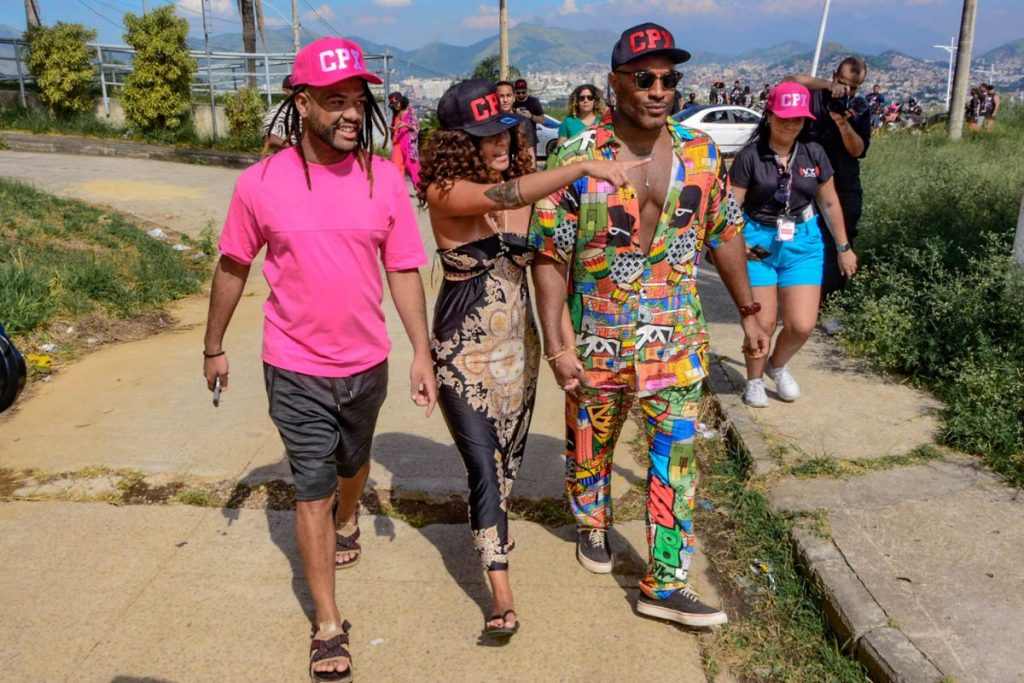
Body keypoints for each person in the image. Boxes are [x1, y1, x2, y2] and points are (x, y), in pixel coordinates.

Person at [202, 37, 437, 682]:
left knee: (351, 464)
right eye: (335, 102)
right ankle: (329, 626)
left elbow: (405, 269)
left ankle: (351, 511)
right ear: (302, 103)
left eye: (358, 102)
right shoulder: (259, 185)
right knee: (312, 484)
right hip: (294, 363)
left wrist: (422, 351)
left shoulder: (383, 178)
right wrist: (214, 344)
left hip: (366, 363)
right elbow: (233, 265)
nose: (351, 115)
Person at [530, 21, 770, 628]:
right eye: (644, 78)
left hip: (674, 338)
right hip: (597, 334)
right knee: (593, 444)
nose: (659, 89)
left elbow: (725, 234)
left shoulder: (700, 152)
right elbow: (548, 252)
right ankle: (592, 521)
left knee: (675, 461)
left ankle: (664, 582)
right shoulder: (576, 154)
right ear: (615, 83)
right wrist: (557, 341)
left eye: (668, 79)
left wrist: (748, 312)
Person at [417, 78, 640, 640]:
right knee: (484, 469)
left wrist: (564, 344)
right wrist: (582, 167)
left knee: (507, 468)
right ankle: (501, 593)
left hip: (520, 355)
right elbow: (508, 196)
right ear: (456, 144)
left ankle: (492, 529)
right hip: (461, 357)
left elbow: (552, 266)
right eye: (483, 137)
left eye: (504, 132)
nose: (498, 144)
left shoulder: (529, 195)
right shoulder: (448, 192)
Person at [729, 82, 857, 407]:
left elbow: (829, 203)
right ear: (769, 115)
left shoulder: (814, 154)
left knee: (802, 324)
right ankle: (754, 379)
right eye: (784, 117)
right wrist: (733, 244)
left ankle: (777, 366)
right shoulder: (749, 157)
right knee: (764, 322)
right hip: (758, 242)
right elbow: (731, 208)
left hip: (804, 241)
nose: (791, 124)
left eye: (798, 119)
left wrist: (844, 248)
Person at [786, 56, 871, 299]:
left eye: (854, 87)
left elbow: (859, 150)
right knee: (804, 237)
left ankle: (831, 301)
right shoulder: (815, 96)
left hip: (844, 184)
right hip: (808, 183)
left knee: (843, 240)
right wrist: (827, 86)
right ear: (834, 75)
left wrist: (843, 123)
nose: (848, 90)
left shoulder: (858, 108)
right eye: (843, 83)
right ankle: (802, 295)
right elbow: (790, 82)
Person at [387, 90, 421, 188]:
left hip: (408, 143)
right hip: (397, 143)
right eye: (394, 104)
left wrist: (406, 124)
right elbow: (396, 129)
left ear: (402, 101)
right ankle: (399, 190)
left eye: (397, 103)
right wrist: (392, 130)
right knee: (396, 167)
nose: (396, 106)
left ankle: (420, 190)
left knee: (412, 166)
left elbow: (416, 127)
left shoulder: (410, 112)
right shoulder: (395, 115)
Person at [512, 78, 544, 167]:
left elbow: (542, 120)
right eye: (518, 93)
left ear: (526, 91)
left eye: (523, 92)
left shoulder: (534, 102)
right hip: (515, 138)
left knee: (531, 163)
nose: (521, 95)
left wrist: (531, 116)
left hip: (531, 138)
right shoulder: (512, 102)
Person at [263, 75, 298, 151]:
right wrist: (294, 149)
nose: (298, 91)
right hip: (287, 157)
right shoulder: (277, 111)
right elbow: (269, 137)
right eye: (293, 88)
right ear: (285, 90)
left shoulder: (307, 109)